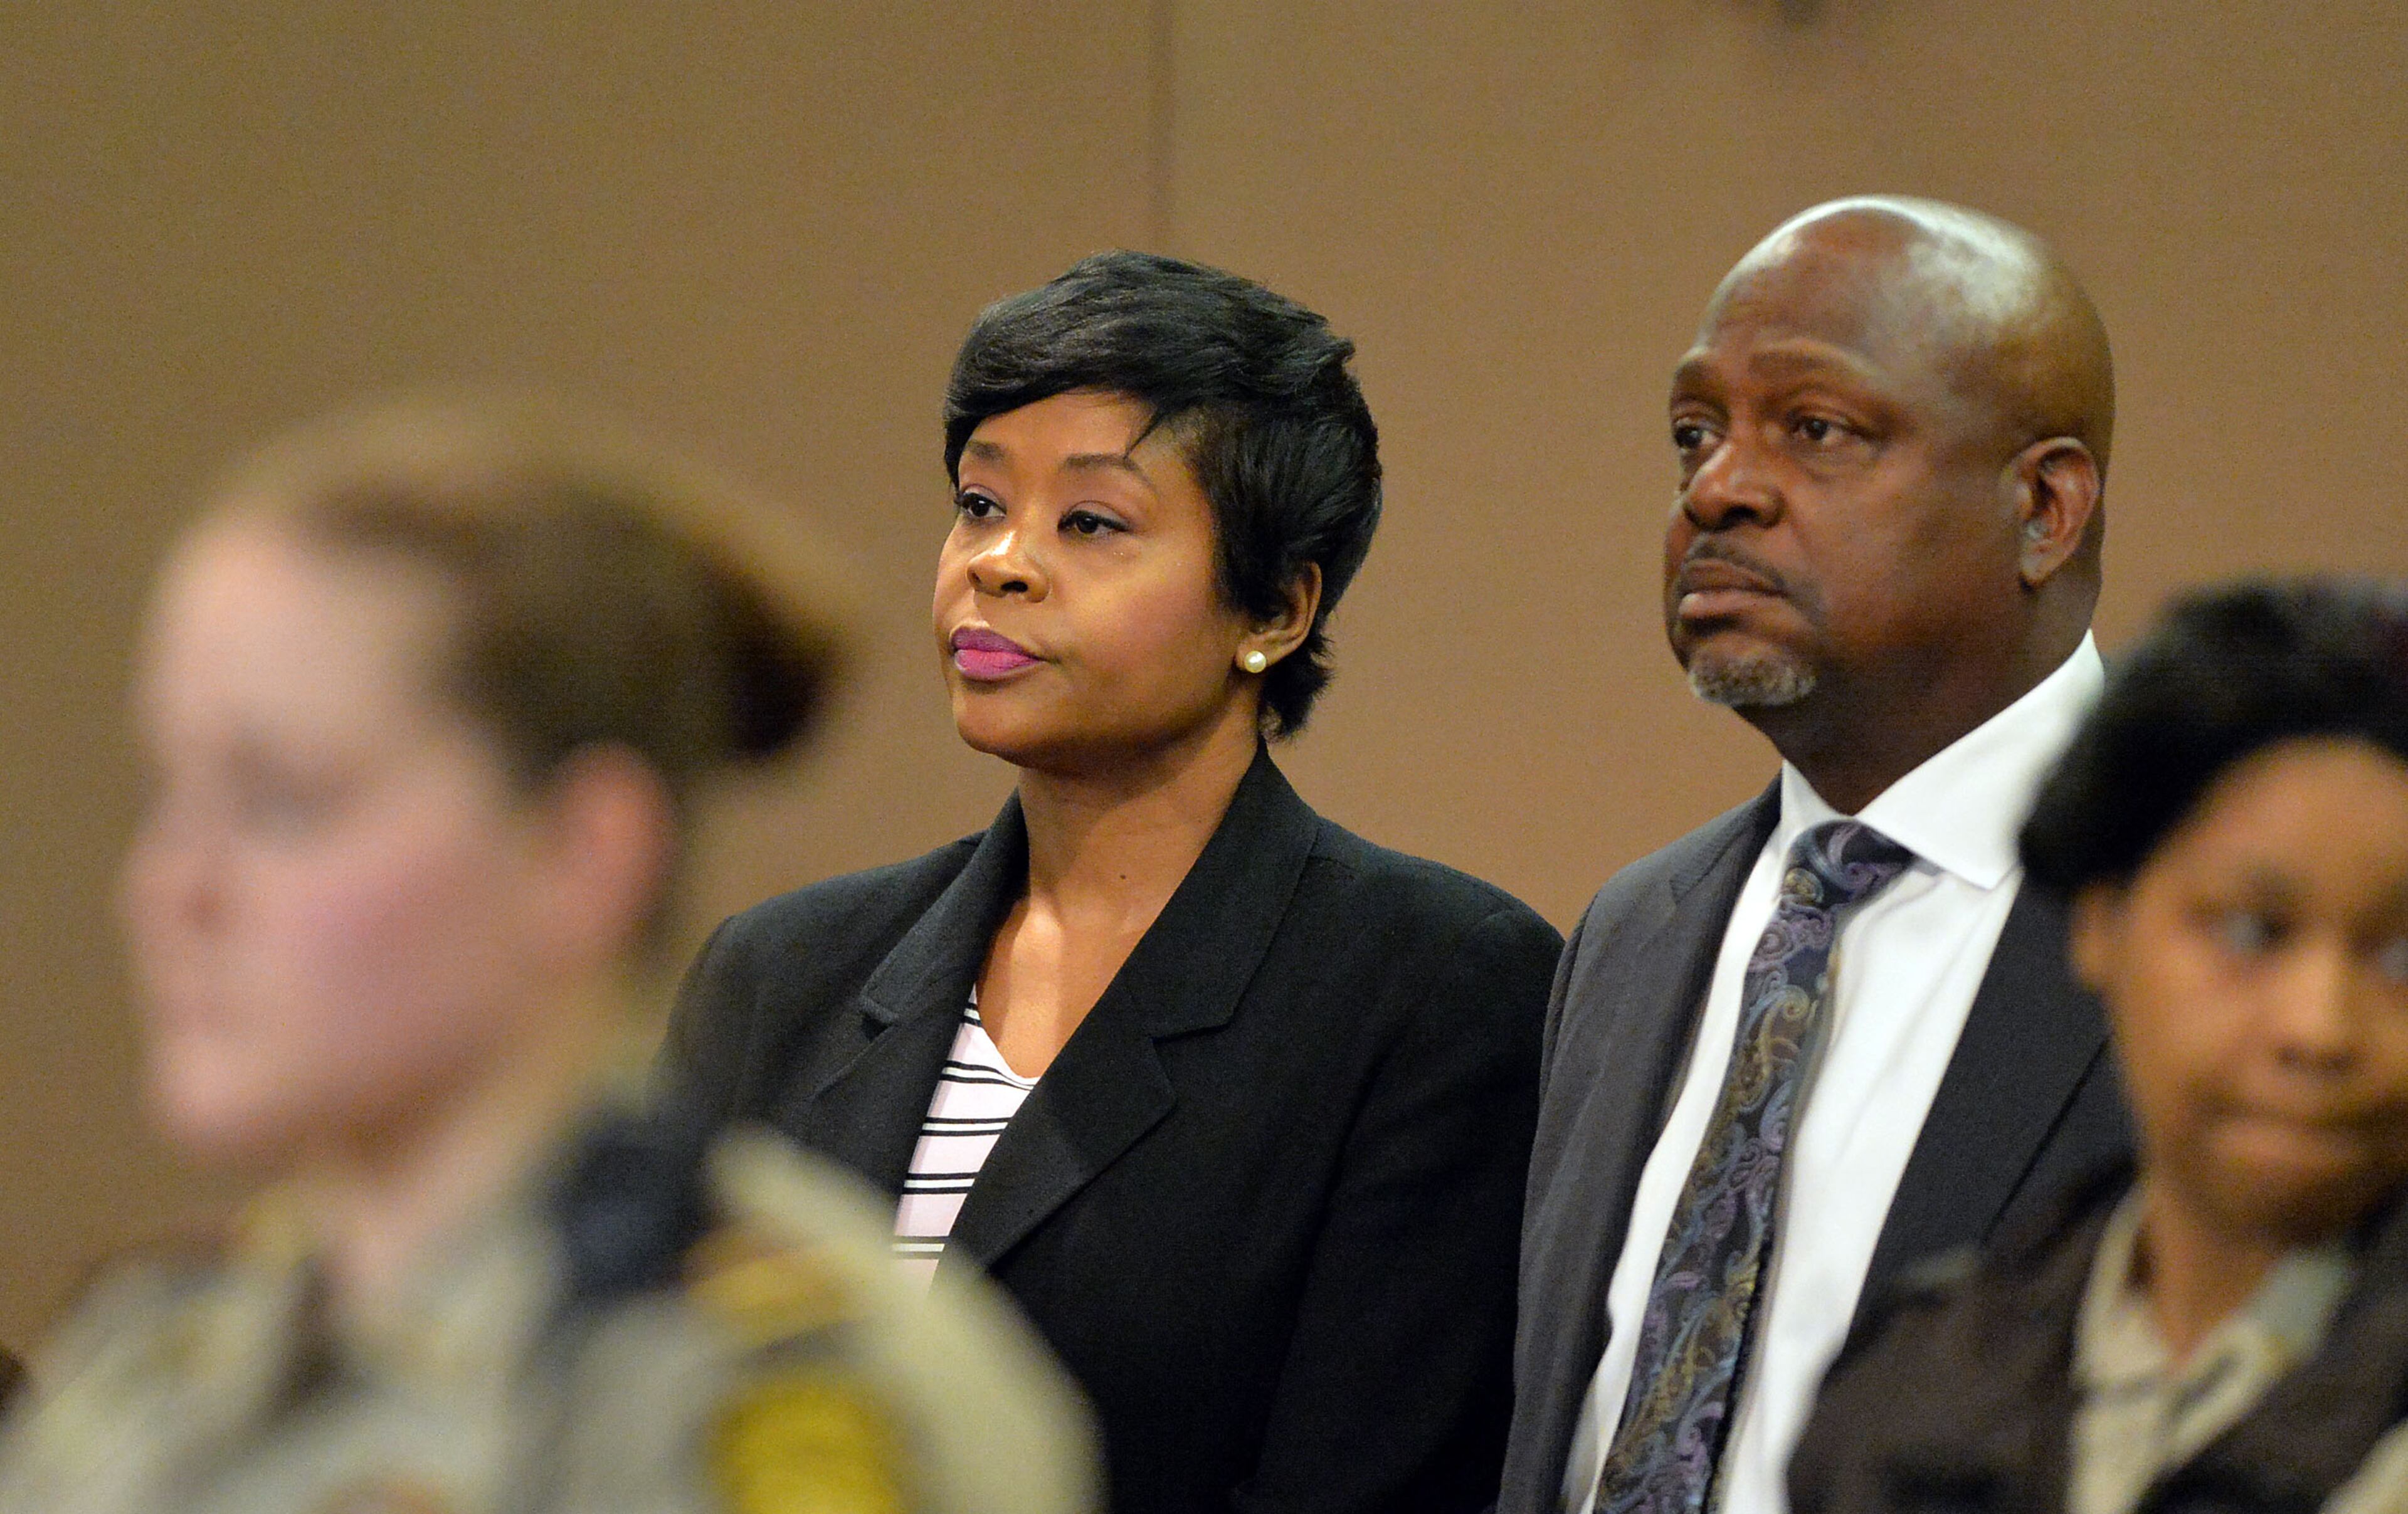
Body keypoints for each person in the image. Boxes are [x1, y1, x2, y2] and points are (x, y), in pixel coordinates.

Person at [0, 394, 1095, 1514]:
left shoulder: (768, 1404)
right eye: (171, 792)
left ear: (581, 851)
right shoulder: (146, 1377)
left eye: (284, 800)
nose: (172, 888)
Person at [662, 251, 1563, 1514]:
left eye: (1091, 521)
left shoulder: (1437, 986)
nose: (1003, 562)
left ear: (1277, 605)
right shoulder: (781, 970)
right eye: (980, 505)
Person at [1501, 197, 2135, 1514]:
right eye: (1694, 433)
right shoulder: (1634, 932)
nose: (1718, 487)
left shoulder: (2214, 919)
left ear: (2045, 506)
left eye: (1818, 430)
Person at [1791, 577, 2408, 1514]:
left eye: (2403, 956)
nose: (2318, 1028)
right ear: (2102, 923)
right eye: (2250, 933)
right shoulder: (1909, 1391)